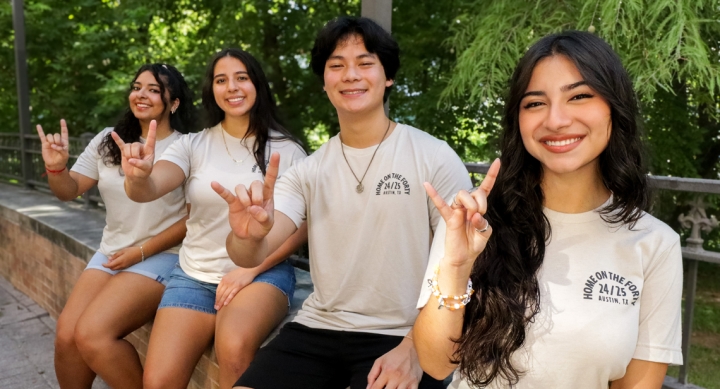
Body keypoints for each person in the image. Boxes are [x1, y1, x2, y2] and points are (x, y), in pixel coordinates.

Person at [413, 31, 683, 389]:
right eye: (535, 103)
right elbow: (434, 364)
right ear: (518, 120)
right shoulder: (473, 223)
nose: (556, 120)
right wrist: (457, 266)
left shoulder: (655, 243)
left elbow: (638, 384)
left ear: (614, 108)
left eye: (580, 96)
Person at [214, 16, 472, 389]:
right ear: (324, 82)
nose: (351, 74)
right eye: (337, 65)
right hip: (318, 326)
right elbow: (251, 254)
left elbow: (463, 265)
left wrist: (416, 346)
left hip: (403, 332)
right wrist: (248, 235)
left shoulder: (433, 157)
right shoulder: (309, 170)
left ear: (388, 77)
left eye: (365, 63)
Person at [113, 48, 307, 389]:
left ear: (257, 85)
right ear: (212, 90)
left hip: (262, 272)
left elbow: (302, 227)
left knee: (232, 350)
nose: (231, 87)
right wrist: (139, 177)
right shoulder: (193, 145)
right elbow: (150, 186)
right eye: (221, 80)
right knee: (157, 382)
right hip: (194, 275)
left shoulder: (287, 151)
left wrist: (250, 269)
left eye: (241, 78)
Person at [37, 63, 194, 389]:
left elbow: (192, 220)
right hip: (112, 250)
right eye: (137, 86)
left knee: (92, 334)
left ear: (173, 102)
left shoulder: (188, 146)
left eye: (154, 89)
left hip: (164, 254)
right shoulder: (108, 140)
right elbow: (69, 190)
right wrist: (56, 169)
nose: (142, 94)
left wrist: (139, 252)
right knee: (67, 335)